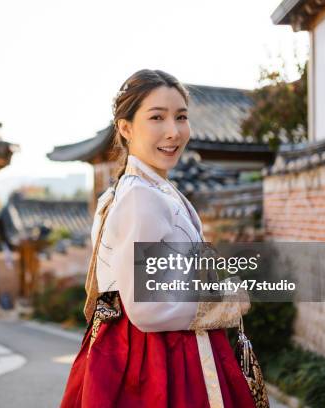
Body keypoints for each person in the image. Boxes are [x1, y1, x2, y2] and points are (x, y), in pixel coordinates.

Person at [60, 69, 256, 408]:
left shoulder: (135, 190)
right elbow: (146, 309)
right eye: (157, 117)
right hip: (157, 361)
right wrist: (224, 303)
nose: (173, 131)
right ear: (126, 128)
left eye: (181, 117)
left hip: (136, 350)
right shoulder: (142, 197)